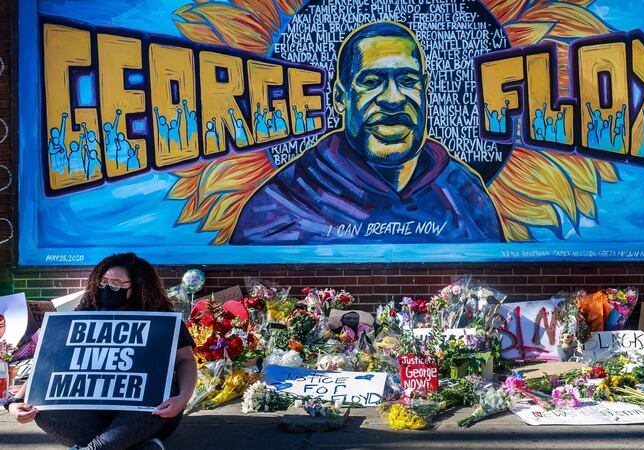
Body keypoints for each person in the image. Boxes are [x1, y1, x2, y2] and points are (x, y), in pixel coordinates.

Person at [231, 21, 502, 244]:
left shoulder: (464, 193)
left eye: (408, 80)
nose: (393, 99)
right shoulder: (283, 203)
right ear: (340, 98)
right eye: (371, 81)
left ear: (425, 89)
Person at [5, 253, 198, 450]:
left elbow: (185, 360)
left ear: (138, 287)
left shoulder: (161, 318)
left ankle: (97, 447)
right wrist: (15, 401)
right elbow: (49, 363)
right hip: (91, 414)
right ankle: (132, 446)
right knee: (41, 406)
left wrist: (182, 398)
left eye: (116, 284)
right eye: (103, 281)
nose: (107, 288)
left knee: (162, 393)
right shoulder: (83, 315)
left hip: (143, 415)